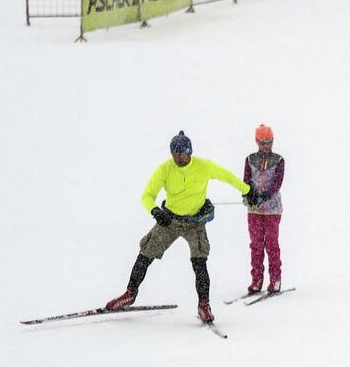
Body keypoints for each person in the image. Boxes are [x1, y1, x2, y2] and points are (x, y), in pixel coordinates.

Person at [106, 131, 255, 325]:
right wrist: (155, 211)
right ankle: (130, 293)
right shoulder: (165, 169)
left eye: (182, 153)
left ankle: (204, 305)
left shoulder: (204, 166)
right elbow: (147, 195)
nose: (179, 158)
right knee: (146, 252)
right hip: (170, 220)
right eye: (175, 154)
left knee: (199, 261)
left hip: (195, 222)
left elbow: (228, 177)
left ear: (190, 151)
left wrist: (248, 191)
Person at [243, 123, 285, 294]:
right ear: (257, 141)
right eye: (263, 142)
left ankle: (275, 279)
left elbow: (277, 182)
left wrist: (266, 195)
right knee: (256, 245)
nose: (267, 145)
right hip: (254, 210)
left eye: (269, 142)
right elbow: (245, 180)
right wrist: (249, 194)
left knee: (272, 245)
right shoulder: (249, 159)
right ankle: (257, 279)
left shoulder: (279, 160)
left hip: (272, 209)